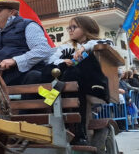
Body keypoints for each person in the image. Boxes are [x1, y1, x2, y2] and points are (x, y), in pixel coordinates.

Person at [42, 15, 111, 145]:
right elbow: (51, 60)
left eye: (74, 27)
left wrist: (86, 47)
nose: (70, 30)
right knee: (62, 74)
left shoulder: (98, 43)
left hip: (91, 83)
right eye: (69, 27)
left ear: (86, 28)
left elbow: (107, 44)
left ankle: (79, 131)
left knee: (73, 74)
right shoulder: (65, 47)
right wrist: (64, 61)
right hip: (69, 82)